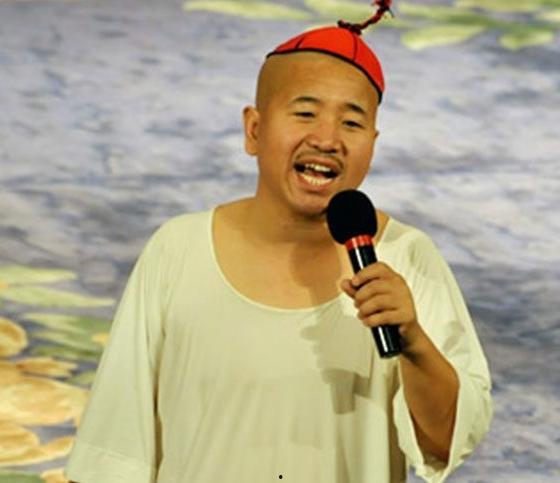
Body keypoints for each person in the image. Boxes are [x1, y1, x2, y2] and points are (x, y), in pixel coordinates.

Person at [65, 5, 492, 483]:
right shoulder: (177, 250)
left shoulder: (406, 257)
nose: (327, 139)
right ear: (254, 130)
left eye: (351, 123)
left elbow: (444, 444)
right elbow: (112, 453)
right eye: (305, 113)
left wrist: (413, 341)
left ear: (373, 142)